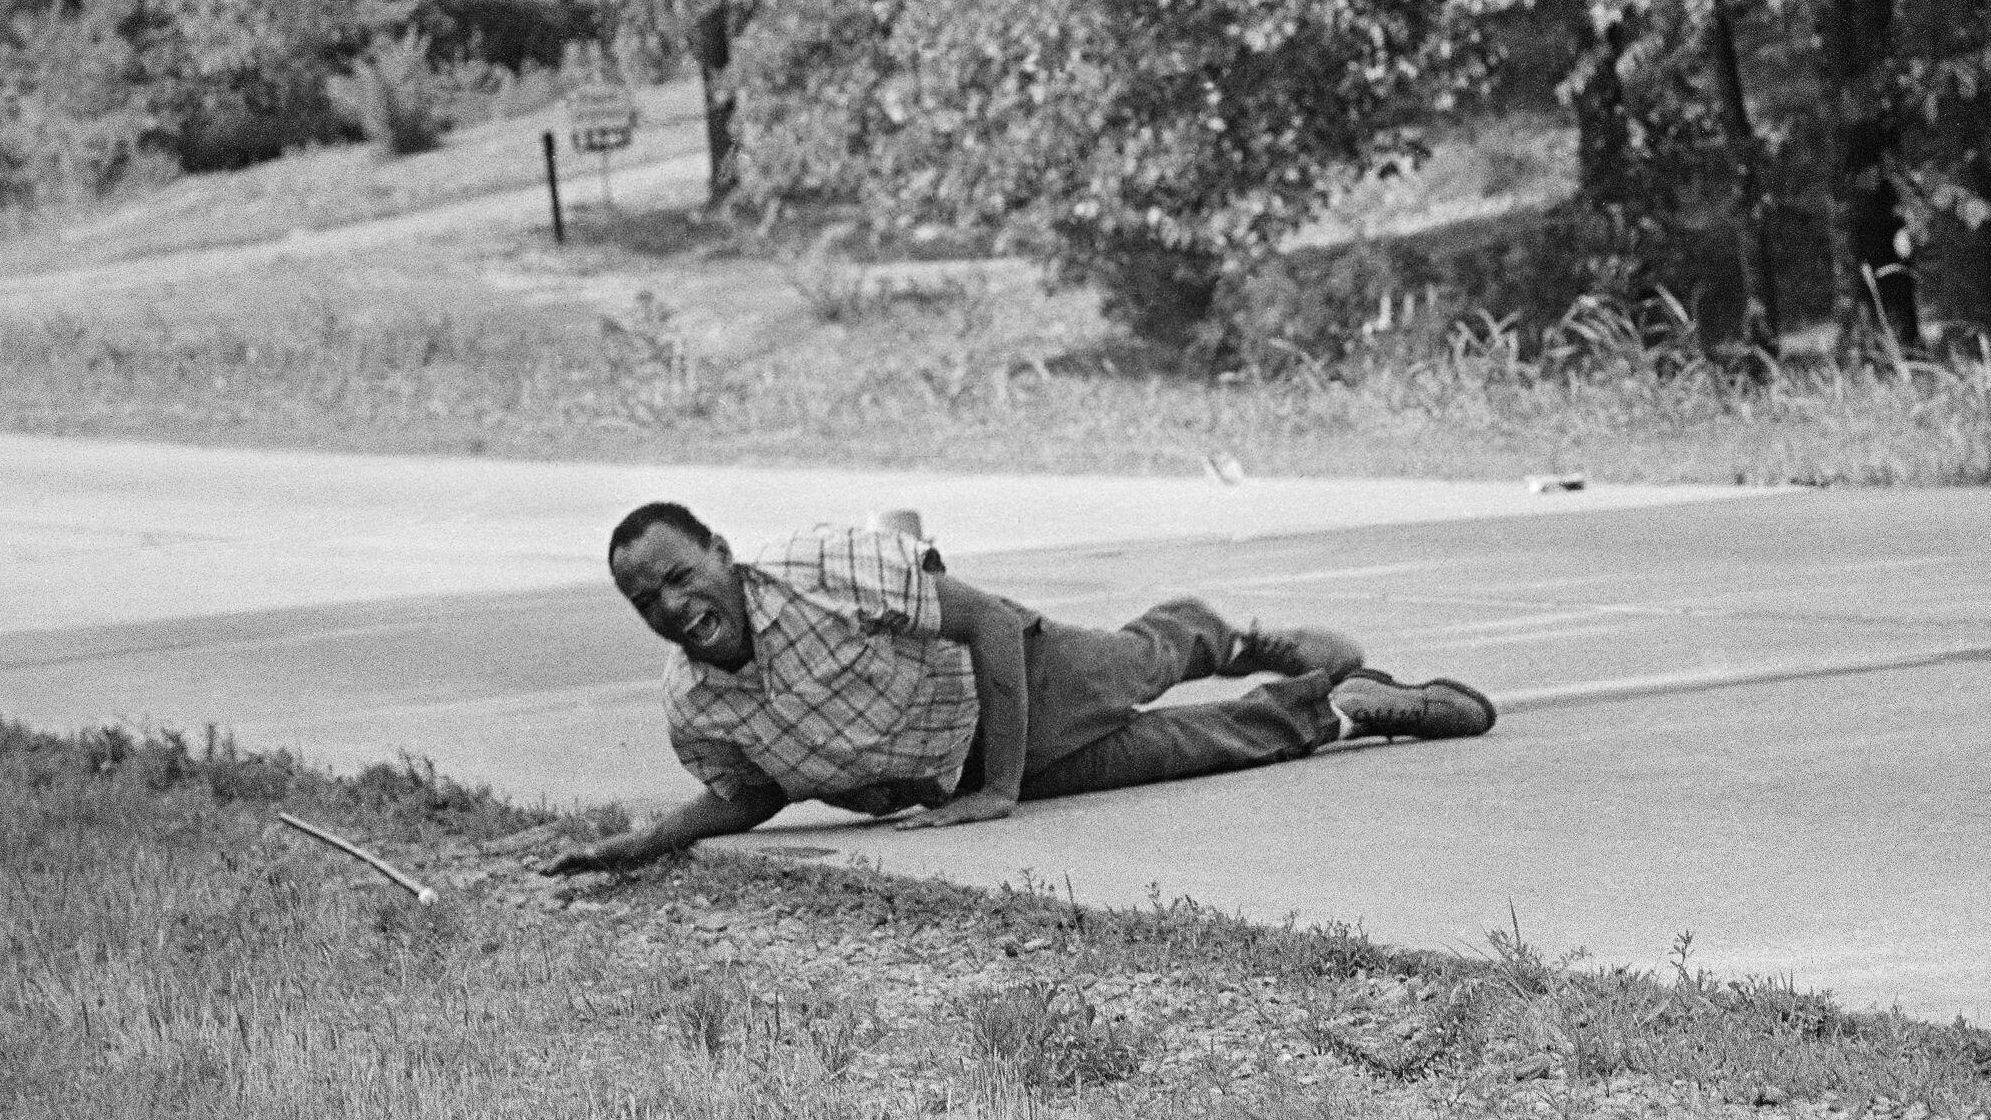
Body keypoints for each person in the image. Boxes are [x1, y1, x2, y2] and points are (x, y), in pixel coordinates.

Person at [543, 502, 1496, 875]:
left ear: (719, 553)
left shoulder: (814, 567)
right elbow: (749, 792)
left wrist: (997, 792)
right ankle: (1346, 705)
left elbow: (991, 623)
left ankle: (1216, 632)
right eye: (645, 601)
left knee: (1137, 669)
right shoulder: (695, 705)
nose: (672, 606)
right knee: (1187, 751)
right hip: (955, 774)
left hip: (1015, 678)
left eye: (679, 576)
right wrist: (646, 842)